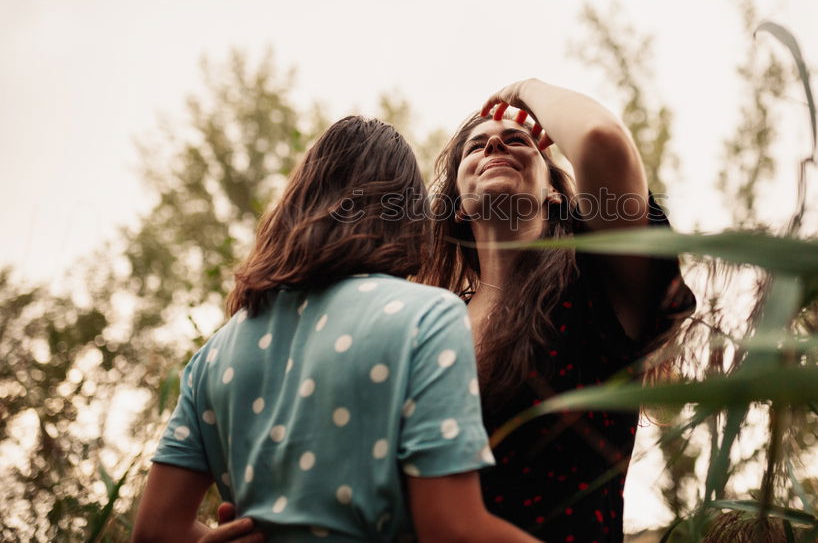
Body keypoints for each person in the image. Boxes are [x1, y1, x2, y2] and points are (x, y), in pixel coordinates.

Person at [132, 116, 540, 542]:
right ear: (406, 214)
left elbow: (155, 530)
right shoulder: (428, 316)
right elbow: (452, 528)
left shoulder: (214, 356)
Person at [419, 79, 696, 542]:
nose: (494, 143)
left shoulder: (596, 286)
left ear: (553, 194)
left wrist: (524, 89)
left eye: (516, 140)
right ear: (460, 208)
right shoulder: (427, 327)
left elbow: (600, 139)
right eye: (476, 146)